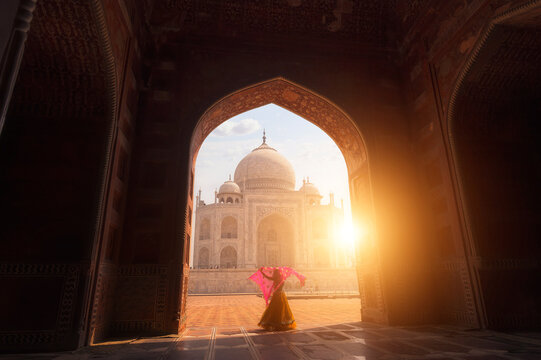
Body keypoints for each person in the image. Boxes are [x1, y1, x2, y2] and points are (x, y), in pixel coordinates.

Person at [249, 266, 305, 331]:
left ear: (275, 274)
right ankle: (282, 323)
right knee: (281, 310)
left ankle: (274, 323)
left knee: (274, 309)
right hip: (281, 295)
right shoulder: (282, 279)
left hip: (276, 295)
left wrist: (262, 272)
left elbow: (268, 277)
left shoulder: (275, 278)